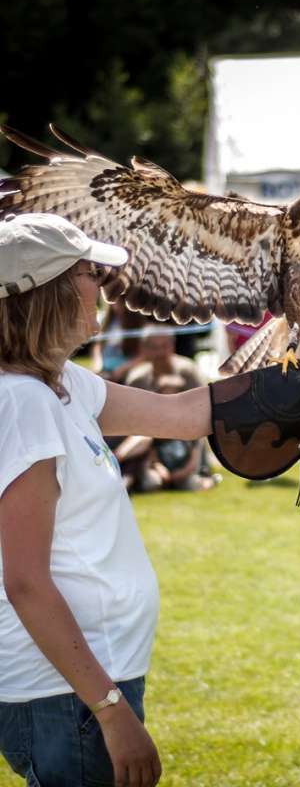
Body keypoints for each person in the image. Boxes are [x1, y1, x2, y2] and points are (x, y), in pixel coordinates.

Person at [0, 214, 213, 786]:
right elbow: (24, 580)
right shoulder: (24, 401)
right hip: (68, 693)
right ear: (45, 294)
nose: (105, 287)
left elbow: (185, 415)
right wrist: (111, 712)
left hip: (83, 682)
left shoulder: (60, 382)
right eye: (92, 273)